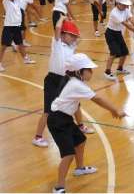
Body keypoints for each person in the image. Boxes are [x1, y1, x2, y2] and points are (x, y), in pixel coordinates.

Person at [47, 53, 126, 193]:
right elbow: (98, 99)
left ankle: (80, 168)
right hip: (57, 121)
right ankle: (59, 187)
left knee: (80, 141)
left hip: (64, 118)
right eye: (88, 69)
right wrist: (115, 110)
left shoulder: (73, 81)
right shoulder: (76, 85)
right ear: (79, 71)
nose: (91, 72)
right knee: (68, 154)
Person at [32, 17, 93, 148]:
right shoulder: (57, 43)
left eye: (74, 36)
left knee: (76, 105)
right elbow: (58, 28)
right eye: (71, 35)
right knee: (48, 110)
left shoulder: (72, 45)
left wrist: (71, 24)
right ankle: (38, 137)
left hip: (66, 79)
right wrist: (62, 18)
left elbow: (79, 37)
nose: (74, 38)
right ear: (63, 34)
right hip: (53, 80)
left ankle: (81, 125)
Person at [104, 0, 134, 80]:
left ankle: (120, 68)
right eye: (124, 4)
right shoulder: (114, 13)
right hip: (110, 34)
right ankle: (107, 71)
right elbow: (126, 24)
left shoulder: (126, 10)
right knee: (114, 53)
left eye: (126, 5)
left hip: (118, 33)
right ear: (118, 3)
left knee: (124, 52)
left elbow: (131, 19)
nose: (126, 6)